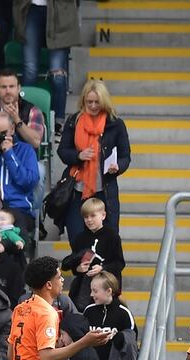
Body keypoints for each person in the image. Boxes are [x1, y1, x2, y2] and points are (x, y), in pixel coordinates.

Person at [57, 79, 130, 242]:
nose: (93, 106)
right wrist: (78, 156)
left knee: (106, 242)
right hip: (76, 190)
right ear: (83, 101)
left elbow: (126, 156)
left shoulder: (115, 124)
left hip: (104, 190)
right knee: (77, 240)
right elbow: (62, 151)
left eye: (97, 102)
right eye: (89, 102)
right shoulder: (74, 121)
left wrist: (118, 167)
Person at [13, 0, 79, 134]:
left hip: (61, 12)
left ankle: (58, 122)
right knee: (30, 70)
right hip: (30, 8)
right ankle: (26, 116)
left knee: (58, 73)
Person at [60, 198, 125, 312]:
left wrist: (102, 268)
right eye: (86, 217)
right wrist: (78, 269)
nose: (89, 220)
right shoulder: (80, 238)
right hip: (84, 289)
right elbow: (72, 262)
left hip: (106, 286)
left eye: (93, 216)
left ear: (103, 215)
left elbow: (119, 263)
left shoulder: (112, 236)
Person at [81, 270, 135, 360]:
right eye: (91, 290)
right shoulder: (89, 310)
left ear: (109, 291)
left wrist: (119, 338)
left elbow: (131, 340)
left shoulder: (124, 313)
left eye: (95, 291)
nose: (91, 295)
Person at [0, 69, 46, 149]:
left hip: (26, 158)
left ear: (19, 88)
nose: (8, 91)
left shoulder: (33, 110)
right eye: (3, 87)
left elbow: (36, 142)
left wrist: (17, 120)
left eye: (11, 86)